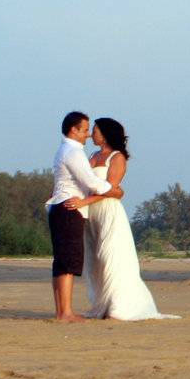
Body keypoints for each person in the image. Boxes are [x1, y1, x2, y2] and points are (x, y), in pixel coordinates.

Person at [71, 116, 178, 321]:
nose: (92, 134)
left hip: (108, 212)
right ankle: (101, 304)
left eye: (96, 130)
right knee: (94, 262)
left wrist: (85, 202)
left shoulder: (117, 157)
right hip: (91, 216)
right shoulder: (92, 155)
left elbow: (112, 189)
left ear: (106, 134)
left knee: (111, 258)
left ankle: (118, 308)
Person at [45, 111, 118, 323]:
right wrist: (113, 190)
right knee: (68, 261)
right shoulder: (73, 152)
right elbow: (90, 182)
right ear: (73, 130)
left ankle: (62, 310)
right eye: (85, 130)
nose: (87, 135)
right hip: (69, 207)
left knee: (61, 261)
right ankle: (65, 312)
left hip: (60, 206)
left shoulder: (65, 150)